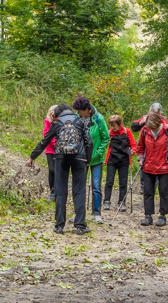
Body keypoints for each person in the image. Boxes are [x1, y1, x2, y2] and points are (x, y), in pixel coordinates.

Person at [27, 104, 93, 235]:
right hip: (79, 158)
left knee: (60, 191)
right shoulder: (80, 121)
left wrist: (32, 157)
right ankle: (80, 225)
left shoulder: (57, 123)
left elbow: (45, 141)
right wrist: (87, 160)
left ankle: (59, 226)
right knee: (79, 191)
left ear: (57, 114)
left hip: (60, 158)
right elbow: (89, 142)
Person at [135, 112, 168, 227]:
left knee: (164, 192)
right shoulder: (145, 130)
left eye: (154, 128)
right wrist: (140, 158)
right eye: (150, 128)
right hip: (148, 166)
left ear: (159, 124)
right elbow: (140, 147)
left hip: (164, 167)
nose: (152, 130)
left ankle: (162, 216)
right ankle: (148, 216)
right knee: (147, 192)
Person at [72, 97, 109, 223]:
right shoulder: (76, 118)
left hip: (96, 159)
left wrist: (98, 152)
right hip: (80, 158)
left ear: (87, 110)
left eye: (80, 111)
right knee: (79, 186)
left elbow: (106, 138)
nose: (77, 112)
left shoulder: (99, 118)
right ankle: (77, 212)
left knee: (96, 186)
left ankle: (97, 213)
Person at [105, 115, 136, 212]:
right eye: (111, 125)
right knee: (109, 181)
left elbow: (133, 145)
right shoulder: (109, 133)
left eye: (114, 125)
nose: (112, 127)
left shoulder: (127, 132)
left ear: (119, 124)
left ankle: (122, 202)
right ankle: (106, 201)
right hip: (112, 160)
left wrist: (132, 151)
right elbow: (104, 142)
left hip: (124, 160)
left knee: (123, 183)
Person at [42, 106, 58, 202]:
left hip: (60, 150)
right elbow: (46, 135)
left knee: (58, 170)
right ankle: (52, 191)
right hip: (50, 149)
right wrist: (54, 143)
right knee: (52, 170)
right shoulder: (47, 122)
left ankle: (58, 191)